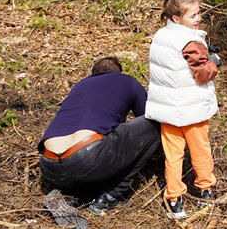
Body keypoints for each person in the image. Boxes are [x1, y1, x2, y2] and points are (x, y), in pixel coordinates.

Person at [39, 56, 162, 215]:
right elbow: (146, 115)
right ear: (118, 72)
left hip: (50, 166)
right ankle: (109, 196)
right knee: (154, 126)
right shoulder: (127, 81)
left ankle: (70, 194)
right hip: (88, 157)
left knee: (92, 153)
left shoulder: (80, 86)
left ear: (93, 74)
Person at [145, 0, 221, 221]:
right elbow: (202, 74)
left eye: (199, 13)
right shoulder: (189, 40)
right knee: (200, 151)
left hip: (168, 110)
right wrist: (214, 62)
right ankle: (205, 189)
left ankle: (174, 198)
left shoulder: (161, 35)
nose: (198, 19)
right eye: (193, 16)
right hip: (192, 109)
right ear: (177, 18)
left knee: (173, 155)